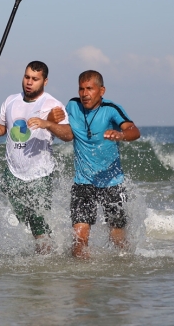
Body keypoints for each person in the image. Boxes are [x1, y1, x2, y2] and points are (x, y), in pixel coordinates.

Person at [0, 61, 73, 253]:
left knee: (39, 223)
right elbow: (0, 128)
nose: (29, 82)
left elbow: (68, 134)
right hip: (13, 174)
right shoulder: (11, 101)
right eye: (26, 77)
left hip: (40, 174)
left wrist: (47, 124)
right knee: (27, 221)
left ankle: (45, 261)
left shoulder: (52, 104)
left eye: (35, 79)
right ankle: (43, 252)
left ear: (45, 81)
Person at [65, 70, 140, 257]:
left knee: (118, 239)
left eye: (89, 89)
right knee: (79, 238)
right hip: (83, 183)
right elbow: (62, 128)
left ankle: (124, 272)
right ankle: (82, 282)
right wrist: (49, 121)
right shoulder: (72, 106)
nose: (84, 94)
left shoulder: (111, 109)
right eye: (81, 89)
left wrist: (121, 135)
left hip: (112, 183)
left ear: (102, 90)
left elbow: (134, 130)